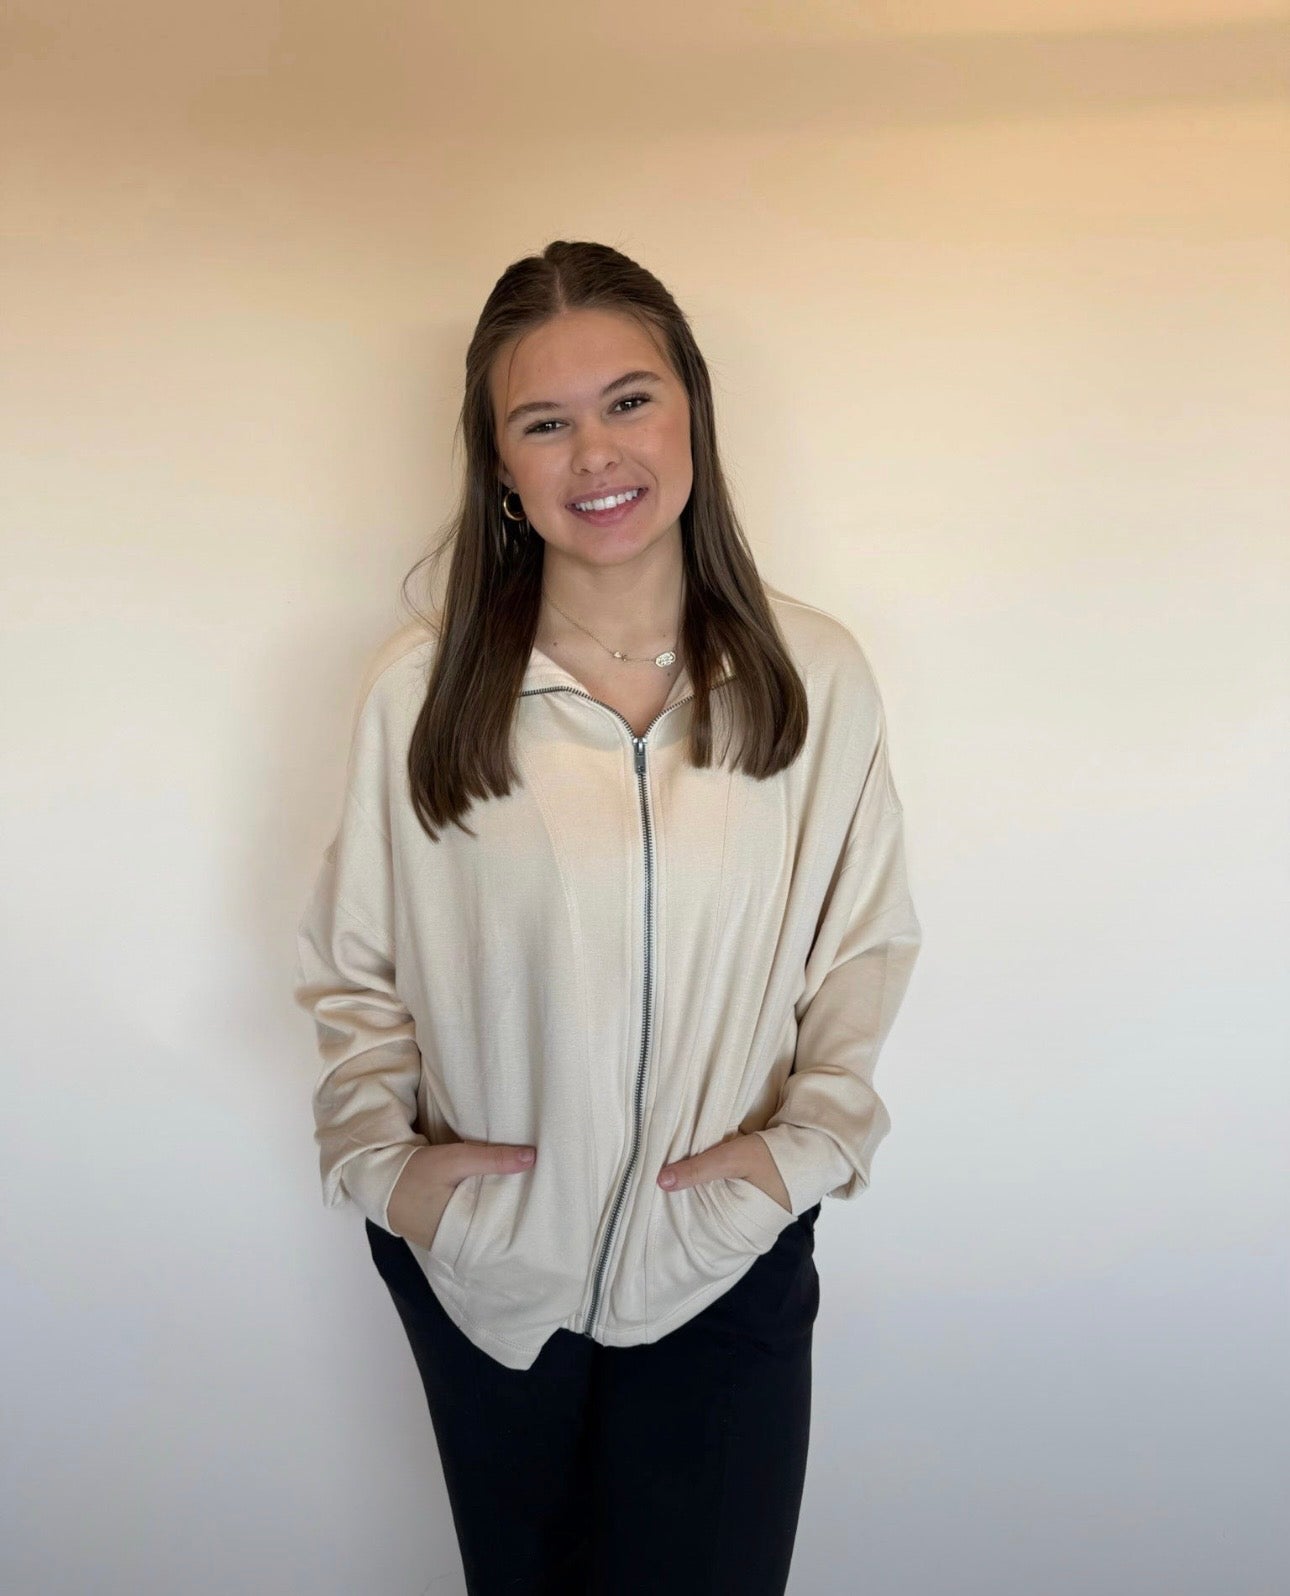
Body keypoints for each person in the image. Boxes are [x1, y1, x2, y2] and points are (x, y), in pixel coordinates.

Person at [294, 239, 923, 1595]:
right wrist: (386, 1171)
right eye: (545, 422)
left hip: (722, 1265)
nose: (595, 453)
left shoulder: (807, 675)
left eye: (629, 400)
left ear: (691, 409)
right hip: (488, 1280)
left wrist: (798, 1156)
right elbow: (354, 968)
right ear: (502, 468)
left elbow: (861, 948)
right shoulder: (425, 690)